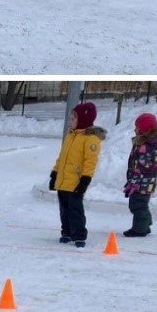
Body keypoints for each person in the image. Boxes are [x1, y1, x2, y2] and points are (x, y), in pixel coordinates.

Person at [51, 100, 104, 248]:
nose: (71, 121)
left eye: (74, 118)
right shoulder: (71, 135)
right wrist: (54, 173)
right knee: (64, 210)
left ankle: (79, 235)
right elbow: (62, 156)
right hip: (63, 180)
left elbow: (90, 162)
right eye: (71, 118)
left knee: (75, 210)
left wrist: (85, 180)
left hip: (75, 182)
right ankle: (66, 232)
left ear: (84, 120)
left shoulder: (91, 139)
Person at [124, 111, 157, 237]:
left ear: (145, 129)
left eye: (137, 127)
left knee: (138, 205)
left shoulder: (146, 147)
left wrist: (134, 182)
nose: (135, 130)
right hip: (144, 182)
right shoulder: (144, 143)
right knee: (140, 204)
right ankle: (145, 223)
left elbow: (142, 168)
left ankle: (140, 229)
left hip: (143, 183)